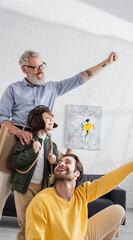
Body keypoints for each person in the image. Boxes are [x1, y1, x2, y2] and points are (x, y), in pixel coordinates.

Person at [0, 50, 118, 219]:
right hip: (14, 141)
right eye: (35, 67)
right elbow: (2, 117)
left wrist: (106, 62)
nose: (40, 70)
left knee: (38, 204)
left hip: (40, 144)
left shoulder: (52, 88)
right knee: (0, 194)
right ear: (24, 69)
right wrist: (18, 132)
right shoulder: (13, 89)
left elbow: (81, 78)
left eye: (42, 66)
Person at [25, 149, 133, 240]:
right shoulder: (41, 201)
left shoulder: (82, 193)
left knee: (118, 211)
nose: (61, 164)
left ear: (77, 174)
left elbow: (109, 180)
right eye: (59, 163)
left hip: (81, 237)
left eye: (67, 162)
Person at [9, 105, 59, 240]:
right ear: (38, 120)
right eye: (47, 117)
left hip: (43, 189)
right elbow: (13, 161)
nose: (51, 120)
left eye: (51, 118)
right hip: (24, 187)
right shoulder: (27, 139)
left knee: (38, 225)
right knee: (25, 225)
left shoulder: (52, 145)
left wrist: (54, 162)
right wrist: (32, 151)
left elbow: (56, 172)